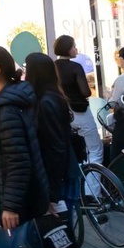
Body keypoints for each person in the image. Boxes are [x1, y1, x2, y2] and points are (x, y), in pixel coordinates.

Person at [0, 44, 79, 248]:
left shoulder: (8, 107)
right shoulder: (13, 103)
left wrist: (10, 205)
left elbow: (19, 159)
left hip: (3, 202)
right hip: (7, 198)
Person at [27, 53, 103, 248]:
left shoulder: (47, 102)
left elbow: (55, 148)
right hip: (61, 177)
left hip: (59, 180)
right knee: (44, 237)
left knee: (57, 239)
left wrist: (52, 192)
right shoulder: (52, 98)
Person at [53, 36, 102, 169]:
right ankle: (91, 182)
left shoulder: (52, 67)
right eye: (73, 46)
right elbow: (85, 92)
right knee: (95, 150)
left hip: (62, 112)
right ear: (67, 49)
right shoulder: (75, 67)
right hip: (80, 111)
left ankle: (79, 179)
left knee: (74, 151)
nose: (76, 49)